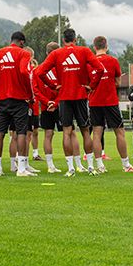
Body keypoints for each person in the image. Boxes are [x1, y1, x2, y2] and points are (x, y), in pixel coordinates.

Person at [37, 28, 104, 177]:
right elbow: (100, 68)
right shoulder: (84, 51)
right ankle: (91, 167)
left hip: (64, 97)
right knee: (85, 131)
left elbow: (40, 72)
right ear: (75, 39)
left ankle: (70, 169)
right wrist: (91, 86)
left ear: (63, 40)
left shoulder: (56, 53)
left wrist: (54, 86)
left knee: (67, 132)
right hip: (80, 95)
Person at [0, 31, 35, 176]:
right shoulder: (23, 53)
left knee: (0, 132)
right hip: (19, 98)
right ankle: (21, 169)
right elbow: (24, 73)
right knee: (21, 132)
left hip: (2, 99)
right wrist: (29, 94)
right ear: (21, 42)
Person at [89, 36, 133, 173]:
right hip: (110, 101)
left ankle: (100, 166)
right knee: (119, 132)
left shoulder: (90, 62)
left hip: (94, 101)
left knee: (97, 133)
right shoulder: (113, 61)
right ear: (106, 46)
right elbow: (118, 82)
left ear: (94, 47)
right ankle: (126, 165)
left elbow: (88, 82)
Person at [34, 41, 63, 173]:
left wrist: (46, 102)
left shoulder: (38, 69)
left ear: (46, 53)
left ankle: (50, 166)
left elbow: (35, 90)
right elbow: (64, 88)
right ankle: (75, 165)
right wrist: (55, 102)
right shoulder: (61, 68)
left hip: (47, 107)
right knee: (70, 133)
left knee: (48, 135)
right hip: (60, 106)